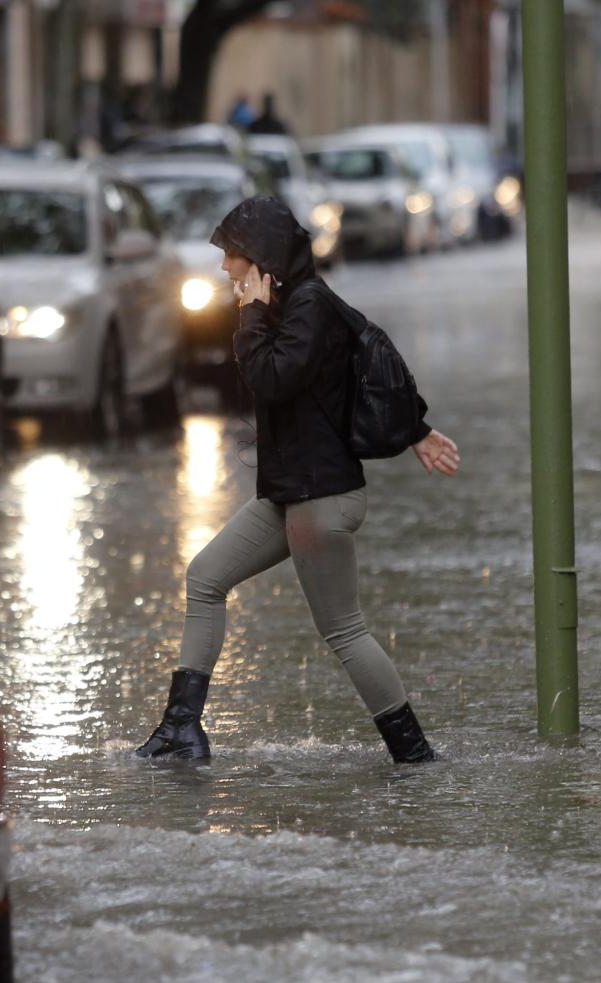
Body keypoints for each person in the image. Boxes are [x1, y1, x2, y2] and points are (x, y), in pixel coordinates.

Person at [133, 197, 460, 765]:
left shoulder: (305, 307)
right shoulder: (300, 302)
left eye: (233, 256)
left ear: (262, 259)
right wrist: (417, 431)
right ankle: (181, 729)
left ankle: (413, 755)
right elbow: (353, 365)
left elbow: (272, 378)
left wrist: (252, 317)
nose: (224, 268)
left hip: (320, 500)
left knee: (344, 630)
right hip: (292, 494)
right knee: (206, 576)